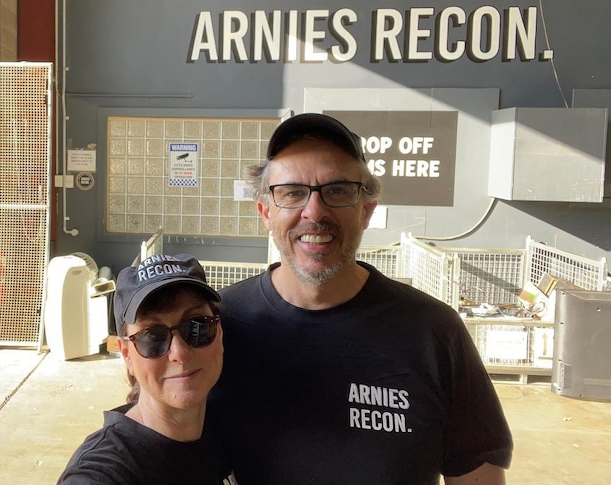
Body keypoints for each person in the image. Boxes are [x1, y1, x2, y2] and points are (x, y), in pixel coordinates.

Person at [207, 113, 513, 484]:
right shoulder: (216, 326)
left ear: (366, 210)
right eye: (291, 193)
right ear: (265, 212)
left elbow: (476, 476)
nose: (314, 212)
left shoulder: (433, 332)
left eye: (337, 190)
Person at [58, 253, 237, 485]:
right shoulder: (106, 470)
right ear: (126, 356)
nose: (179, 354)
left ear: (219, 333)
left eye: (197, 327)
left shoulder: (223, 432)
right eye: (152, 336)